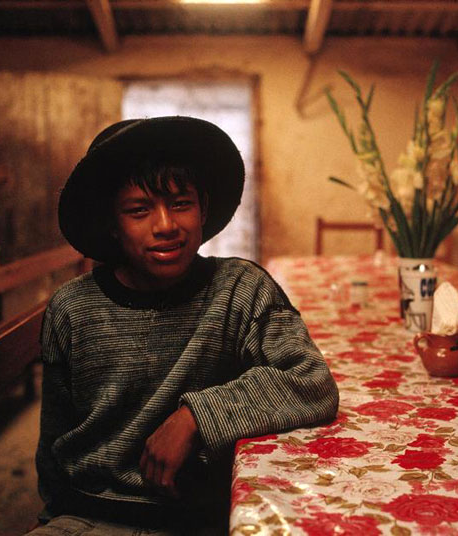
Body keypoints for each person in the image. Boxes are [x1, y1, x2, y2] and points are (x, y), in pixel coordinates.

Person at [29, 117, 339, 535]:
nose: (165, 225)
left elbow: (312, 380)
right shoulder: (72, 308)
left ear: (204, 208)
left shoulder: (241, 290)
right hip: (87, 515)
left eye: (180, 203)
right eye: (139, 210)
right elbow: (54, 450)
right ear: (112, 226)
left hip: (200, 520)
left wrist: (196, 416)